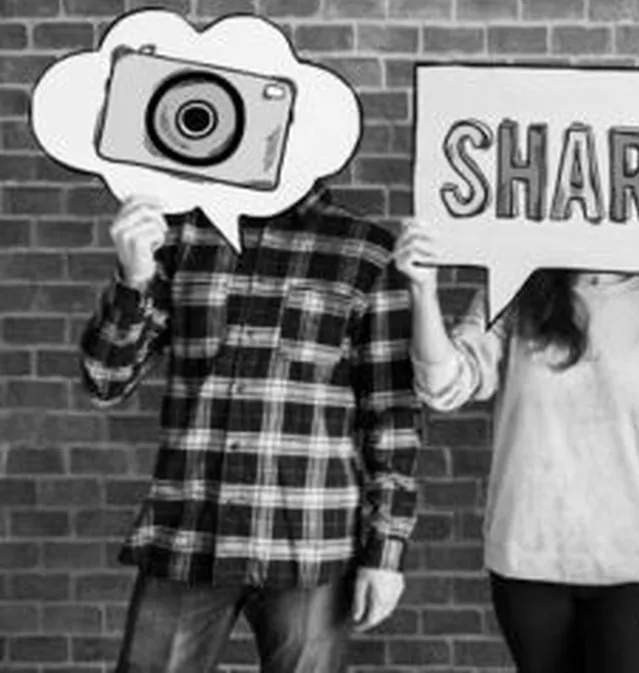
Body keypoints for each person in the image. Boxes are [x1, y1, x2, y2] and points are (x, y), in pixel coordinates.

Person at [81, 188, 421, 673]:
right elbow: (104, 382)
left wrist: (385, 552)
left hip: (311, 540)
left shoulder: (365, 250)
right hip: (189, 529)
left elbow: (391, 416)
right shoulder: (178, 236)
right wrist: (134, 278)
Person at [394, 220, 639, 673]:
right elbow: (444, 387)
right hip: (528, 556)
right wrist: (423, 291)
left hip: (630, 560)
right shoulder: (515, 292)